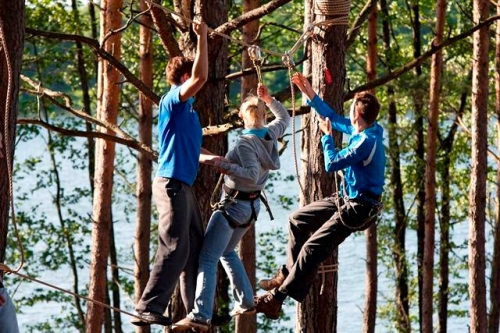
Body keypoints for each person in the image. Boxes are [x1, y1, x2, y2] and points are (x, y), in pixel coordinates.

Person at [254, 72, 385, 320]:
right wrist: (309, 92)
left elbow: (332, 163)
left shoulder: (365, 142)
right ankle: (287, 273)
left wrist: (326, 137)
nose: (348, 114)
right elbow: (332, 117)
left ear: (356, 115)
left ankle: (276, 300)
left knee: (312, 249)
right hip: (347, 197)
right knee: (297, 220)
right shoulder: (366, 127)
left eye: (351, 111)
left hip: (359, 208)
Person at [172, 83, 291, 331]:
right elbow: (285, 117)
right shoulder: (270, 133)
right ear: (263, 116)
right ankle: (246, 301)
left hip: (234, 206)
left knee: (207, 258)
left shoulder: (246, 143)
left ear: (242, 116)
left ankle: (200, 314)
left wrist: (222, 164)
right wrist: (269, 99)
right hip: (251, 208)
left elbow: (248, 173)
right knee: (226, 251)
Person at [131, 20, 209, 327]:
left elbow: (191, 149)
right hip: (171, 183)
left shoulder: (190, 113)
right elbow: (202, 76)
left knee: (195, 248)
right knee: (174, 244)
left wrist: (220, 159)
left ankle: (195, 311)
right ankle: (147, 307)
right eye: (192, 80)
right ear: (184, 78)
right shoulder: (173, 100)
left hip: (184, 185)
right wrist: (202, 36)